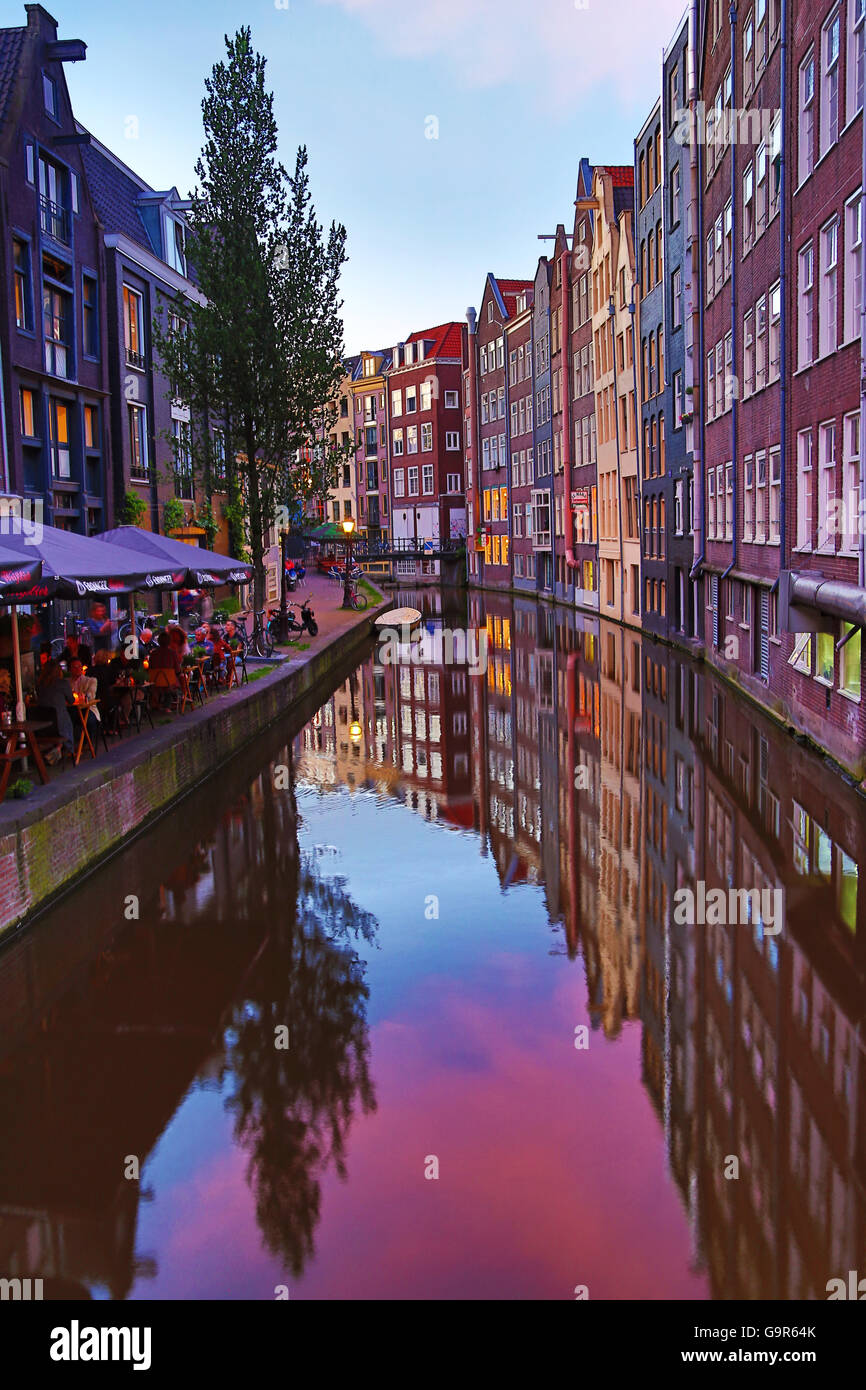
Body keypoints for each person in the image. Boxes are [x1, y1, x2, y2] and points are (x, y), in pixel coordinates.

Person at [35, 659, 74, 762]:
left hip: (43, 724)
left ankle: (58, 748)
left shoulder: (39, 685)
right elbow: (71, 700)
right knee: (67, 717)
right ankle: (63, 748)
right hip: (59, 723)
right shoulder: (62, 683)